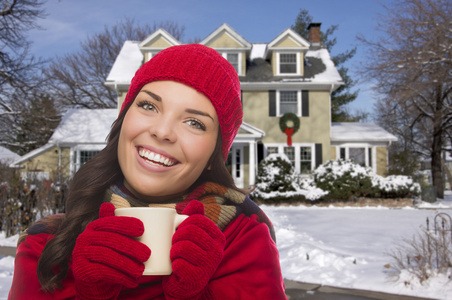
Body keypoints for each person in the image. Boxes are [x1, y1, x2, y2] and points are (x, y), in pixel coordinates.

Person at [8, 44, 287, 299]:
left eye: (194, 122)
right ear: (124, 119)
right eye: (148, 105)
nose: (162, 131)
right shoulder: (45, 243)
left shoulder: (243, 238)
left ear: (214, 156)